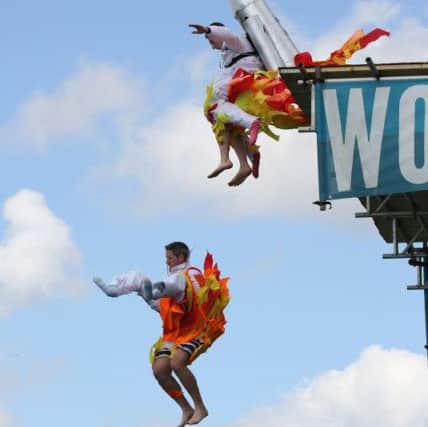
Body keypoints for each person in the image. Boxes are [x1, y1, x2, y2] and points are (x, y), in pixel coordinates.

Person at [93, 241, 230, 426]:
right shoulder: (180, 277)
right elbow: (168, 304)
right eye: (166, 258)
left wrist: (155, 291)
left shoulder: (188, 275)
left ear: (181, 257)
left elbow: (173, 287)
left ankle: (200, 407)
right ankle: (186, 408)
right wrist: (140, 293)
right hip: (176, 332)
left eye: (170, 258)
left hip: (198, 330)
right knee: (160, 370)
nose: (167, 262)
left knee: (177, 363)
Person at [190, 22, 263, 186]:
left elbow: (227, 34)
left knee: (213, 105)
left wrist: (209, 31)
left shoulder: (236, 42)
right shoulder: (230, 51)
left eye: (211, 41)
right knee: (224, 121)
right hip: (242, 83)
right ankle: (245, 162)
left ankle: (250, 124)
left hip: (244, 79)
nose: (211, 45)